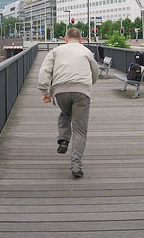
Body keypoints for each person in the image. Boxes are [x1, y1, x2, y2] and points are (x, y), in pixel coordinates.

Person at [38, 28, 99, 177]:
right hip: (81, 92)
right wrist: (89, 84)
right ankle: (76, 165)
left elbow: (44, 71)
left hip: (61, 91)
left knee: (65, 113)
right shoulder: (86, 52)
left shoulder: (56, 51)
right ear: (81, 40)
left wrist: (44, 92)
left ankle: (63, 140)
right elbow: (95, 73)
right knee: (80, 129)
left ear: (65, 39)